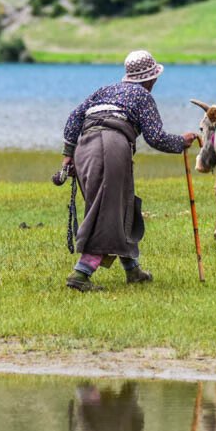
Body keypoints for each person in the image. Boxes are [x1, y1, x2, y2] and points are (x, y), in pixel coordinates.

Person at [60, 50, 197, 291]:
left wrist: (68, 155)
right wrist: (181, 142)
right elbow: (155, 138)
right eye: (155, 77)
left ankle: (132, 269)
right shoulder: (142, 96)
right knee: (107, 211)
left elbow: (74, 119)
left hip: (86, 148)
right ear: (150, 78)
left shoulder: (103, 90)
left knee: (120, 205)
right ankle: (80, 274)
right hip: (111, 147)